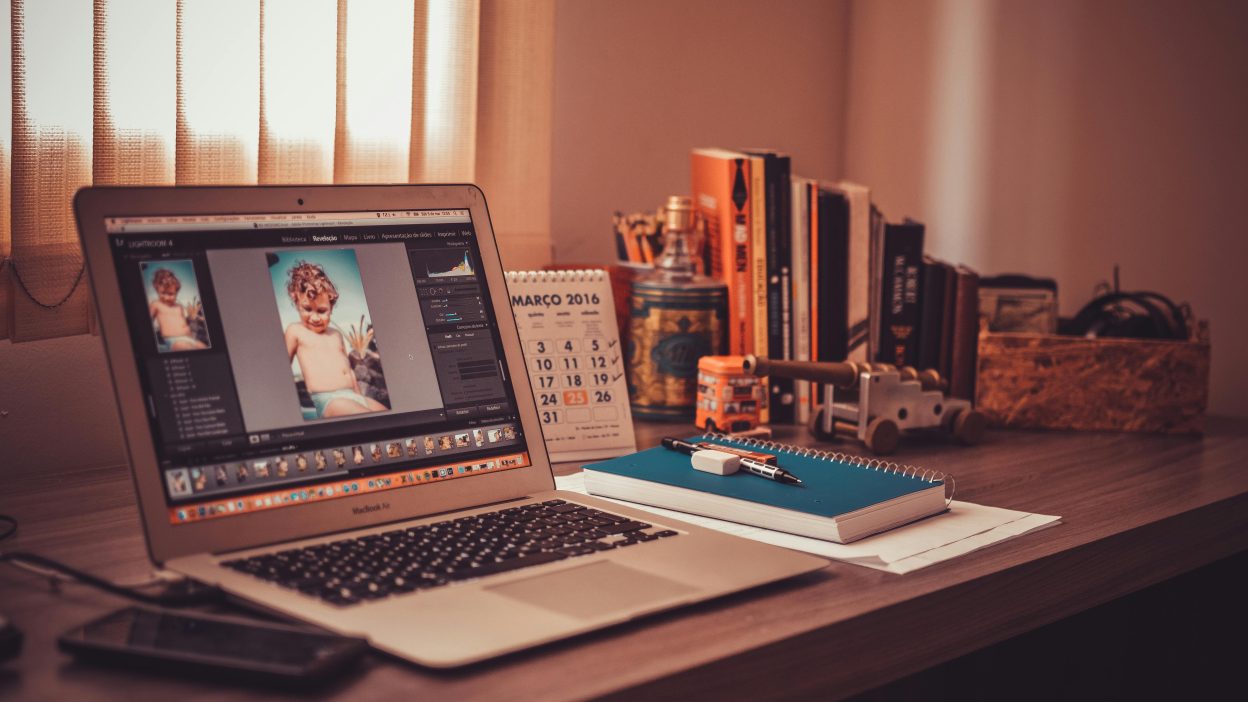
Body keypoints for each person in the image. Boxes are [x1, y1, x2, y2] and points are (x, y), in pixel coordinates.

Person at [283, 261, 386, 418]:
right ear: (296, 302)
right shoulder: (296, 331)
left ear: (331, 307)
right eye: (307, 309)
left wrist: (360, 397)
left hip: (354, 395)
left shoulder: (335, 334)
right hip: (330, 400)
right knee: (370, 420)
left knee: (387, 415)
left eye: (322, 311)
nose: (315, 317)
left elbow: (349, 371)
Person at [149, 268, 207, 351]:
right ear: (157, 290)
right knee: (186, 347)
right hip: (173, 340)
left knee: (203, 347)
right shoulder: (156, 305)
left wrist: (191, 318)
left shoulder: (179, 306)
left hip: (189, 338)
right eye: (163, 293)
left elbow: (184, 322)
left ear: (177, 292)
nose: (166, 297)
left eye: (170, 294)